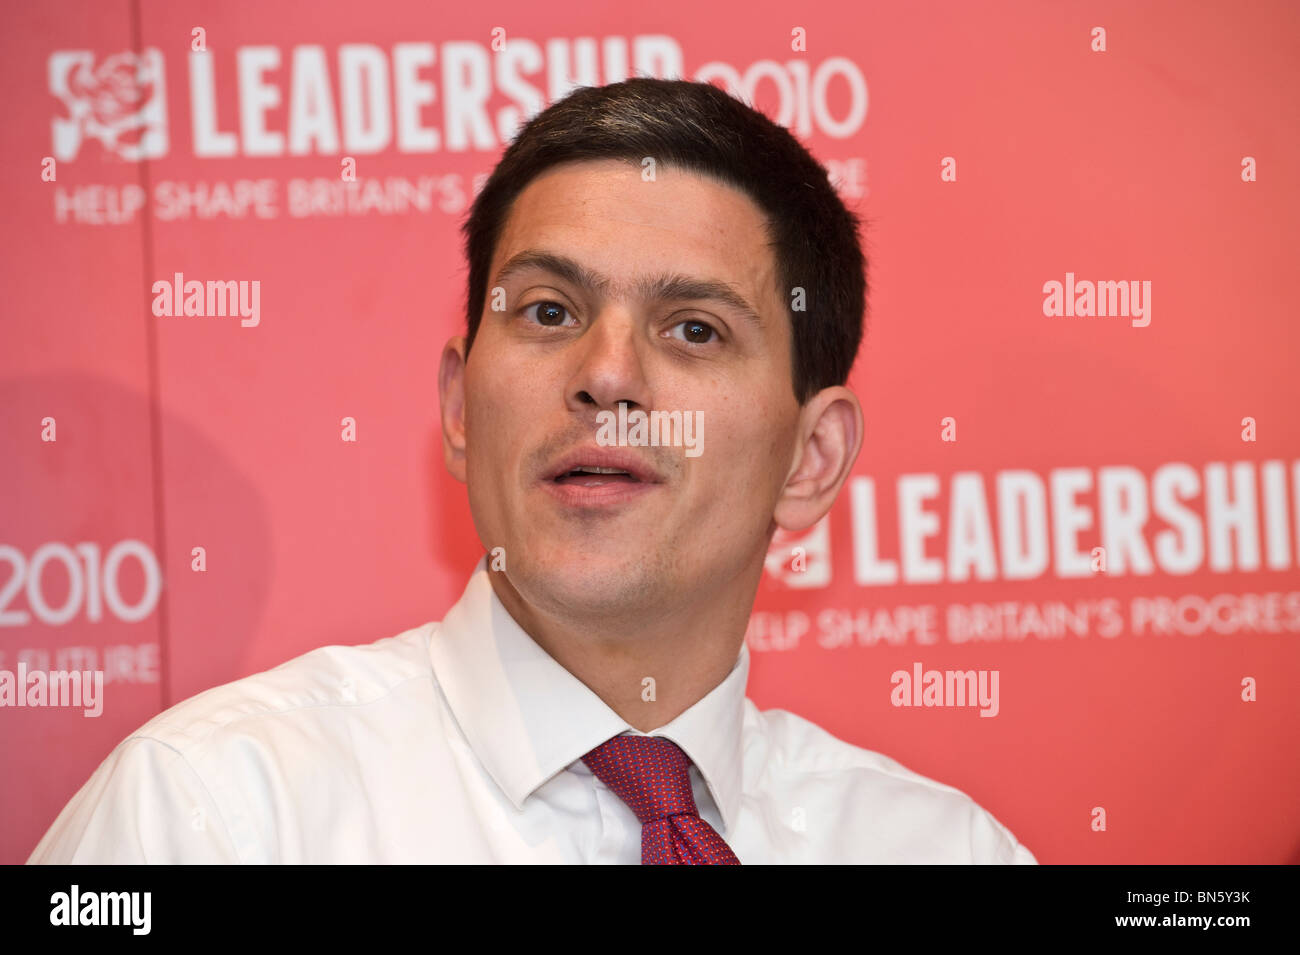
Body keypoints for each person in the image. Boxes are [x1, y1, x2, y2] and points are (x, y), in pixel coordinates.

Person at [29, 77, 1035, 864]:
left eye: (693, 328)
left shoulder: (944, 850)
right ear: (462, 407)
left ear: (810, 460)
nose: (605, 375)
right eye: (549, 311)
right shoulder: (214, 813)